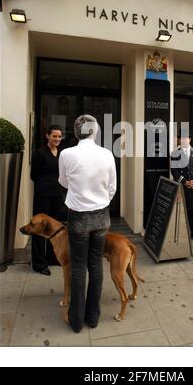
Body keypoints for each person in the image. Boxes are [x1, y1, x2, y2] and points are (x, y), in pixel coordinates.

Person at [58, 114, 117, 333]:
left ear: (75, 132)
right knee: (95, 265)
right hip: (101, 216)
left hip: (78, 217)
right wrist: (101, 203)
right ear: (95, 131)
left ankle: (76, 320)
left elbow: (63, 182)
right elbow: (112, 187)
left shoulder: (66, 154)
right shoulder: (107, 154)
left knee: (78, 266)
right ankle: (93, 317)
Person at [30, 124, 67, 275]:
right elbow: (34, 176)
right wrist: (46, 184)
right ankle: (39, 263)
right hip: (43, 195)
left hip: (57, 195)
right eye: (54, 136)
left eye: (59, 136)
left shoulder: (62, 153)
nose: (57, 139)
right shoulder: (39, 153)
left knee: (55, 228)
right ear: (47, 136)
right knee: (39, 228)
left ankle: (52, 258)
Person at [170, 133, 193, 242]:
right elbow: (174, 171)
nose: (183, 140)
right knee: (181, 210)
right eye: (181, 138)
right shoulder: (175, 153)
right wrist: (185, 182)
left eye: (186, 138)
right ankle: (182, 234)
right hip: (182, 187)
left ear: (189, 139)